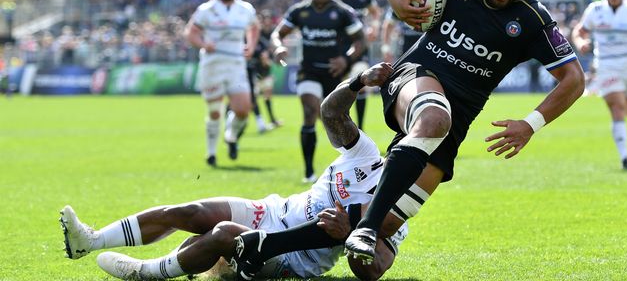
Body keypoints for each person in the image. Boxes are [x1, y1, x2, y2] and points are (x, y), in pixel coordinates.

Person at [344, 0, 586, 262]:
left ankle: (271, 244)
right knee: (431, 118)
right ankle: (365, 228)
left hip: (455, 120)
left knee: (377, 247)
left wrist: (530, 125)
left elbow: (573, 78)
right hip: (413, 78)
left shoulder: (532, 19)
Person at [60, 63, 408, 281]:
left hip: (292, 258)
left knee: (224, 232)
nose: (400, 148)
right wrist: (358, 81)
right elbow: (330, 114)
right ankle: (89, 241)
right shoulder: (365, 154)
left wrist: (350, 233)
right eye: (402, 139)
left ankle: (146, 272)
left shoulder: (397, 208)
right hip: (274, 210)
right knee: (191, 212)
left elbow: (374, 270)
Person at [272, 0, 366, 182]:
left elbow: (360, 41)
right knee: (309, 111)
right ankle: (308, 172)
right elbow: (278, 33)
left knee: (340, 121)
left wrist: (346, 59)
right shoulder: (300, 11)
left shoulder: (342, 11)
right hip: (309, 71)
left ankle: (354, 167)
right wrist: (278, 47)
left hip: (335, 73)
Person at [184, 0, 259, 167]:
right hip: (213, 64)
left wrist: (250, 46)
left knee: (243, 110)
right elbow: (190, 33)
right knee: (215, 111)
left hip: (236, 64)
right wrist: (202, 44)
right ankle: (211, 154)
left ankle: (231, 136)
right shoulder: (206, 9)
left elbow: (254, 27)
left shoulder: (245, 9)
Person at [572, 0, 627, 170]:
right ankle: (625, 158)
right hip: (606, 65)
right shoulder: (595, 10)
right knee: (617, 106)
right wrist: (581, 43)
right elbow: (579, 31)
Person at [333, 0, 382, 130]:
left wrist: (374, 27)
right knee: (342, 89)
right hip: (339, 48)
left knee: (361, 84)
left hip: (360, 46)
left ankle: (360, 128)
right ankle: (345, 126)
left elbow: (376, 12)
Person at [252, 10, 282, 130]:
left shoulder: (270, 34)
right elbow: (261, 55)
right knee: (251, 98)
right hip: (254, 70)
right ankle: (260, 122)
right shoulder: (254, 36)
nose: (266, 22)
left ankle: (270, 120)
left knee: (267, 95)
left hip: (265, 71)